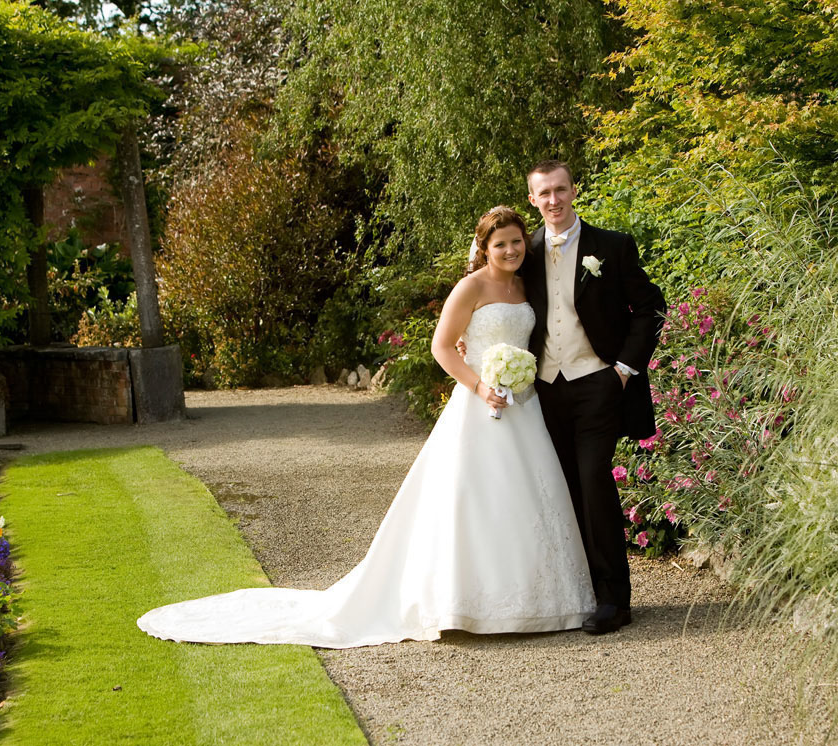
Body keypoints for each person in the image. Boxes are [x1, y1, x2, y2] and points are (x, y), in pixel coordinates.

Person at [137, 206, 595, 648]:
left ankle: (542, 600)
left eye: (516, 242)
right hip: (479, 407)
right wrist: (479, 385)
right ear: (484, 247)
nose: (511, 250)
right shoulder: (469, 287)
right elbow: (442, 346)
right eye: (501, 244)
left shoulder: (525, 286)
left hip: (524, 406)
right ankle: (467, 605)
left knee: (529, 497)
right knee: (475, 500)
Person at [524, 159, 665, 634]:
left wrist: (623, 369)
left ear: (573, 190)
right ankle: (579, 591)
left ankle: (614, 600)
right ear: (532, 199)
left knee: (593, 481)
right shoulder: (525, 251)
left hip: (598, 383)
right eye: (544, 193)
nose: (554, 200)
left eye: (560, 189)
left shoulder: (612, 245)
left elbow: (650, 307)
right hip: (544, 389)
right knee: (563, 487)